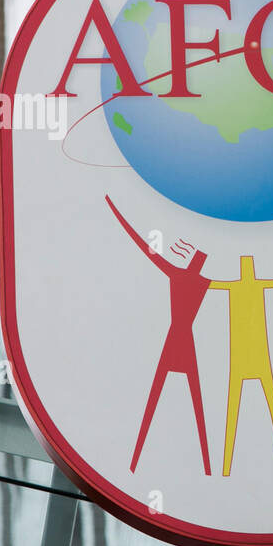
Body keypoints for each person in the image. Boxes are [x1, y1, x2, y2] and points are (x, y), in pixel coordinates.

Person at [105, 196, 212, 475]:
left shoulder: (179, 275)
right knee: (193, 406)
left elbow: (148, 250)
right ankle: (205, 465)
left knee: (164, 401)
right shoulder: (204, 282)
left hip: (178, 340)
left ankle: (140, 459)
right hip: (183, 341)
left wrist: (117, 211)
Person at [210, 258, 273, 476]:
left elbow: (209, 283)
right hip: (245, 358)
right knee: (234, 412)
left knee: (270, 409)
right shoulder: (240, 285)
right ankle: (226, 469)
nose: (247, 269)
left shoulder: (239, 285)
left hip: (254, 358)